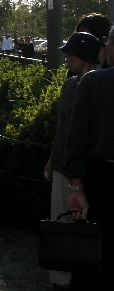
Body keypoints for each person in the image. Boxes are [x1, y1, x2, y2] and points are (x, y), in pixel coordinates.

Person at [42, 31, 100, 290]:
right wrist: (52, 158)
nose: (66, 58)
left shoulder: (85, 85)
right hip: (67, 163)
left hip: (73, 166)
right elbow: (61, 127)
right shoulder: (73, 84)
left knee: (64, 220)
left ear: (83, 56)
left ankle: (65, 278)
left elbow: (69, 129)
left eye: (71, 54)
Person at [62, 25, 114, 290]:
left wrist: (76, 188)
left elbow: (76, 139)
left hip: (102, 179)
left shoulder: (94, 82)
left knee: (92, 260)